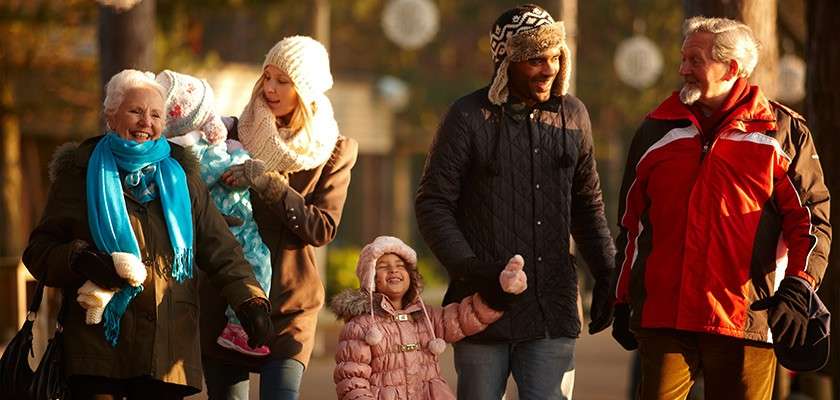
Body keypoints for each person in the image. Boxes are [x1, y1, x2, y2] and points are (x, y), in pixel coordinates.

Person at [611, 16, 831, 400]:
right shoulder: (655, 129)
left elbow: (811, 221)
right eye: (683, 59)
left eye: (695, 60)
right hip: (664, 317)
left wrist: (800, 286)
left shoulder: (782, 132)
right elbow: (631, 225)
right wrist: (621, 296)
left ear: (731, 67)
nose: (683, 70)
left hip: (745, 317)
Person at [21, 69, 273, 399]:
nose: (146, 122)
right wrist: (80, 258)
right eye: (135, 111)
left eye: (155, 114)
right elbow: (39, 251)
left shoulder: (182, 176)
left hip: (166, 350)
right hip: (96, 350)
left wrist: (250, 300)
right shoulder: (78, 173)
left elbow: (221, 249)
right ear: (111, 115)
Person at [414, 4, 616, 399]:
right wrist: (473, 270)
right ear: (506, 62)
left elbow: (588, 207)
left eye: (555, 57)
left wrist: (608, 275)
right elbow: (433, 204)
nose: (548, 68)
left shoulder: (573, 116)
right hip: (481, 308)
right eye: (534, 59)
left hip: (552, 309)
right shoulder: (468, 116)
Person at [199, 35, 359, 400]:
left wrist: (270, 185)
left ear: (306, 90)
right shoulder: (231, 133)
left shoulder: (334, 151)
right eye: (266, 77)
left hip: (290, 307)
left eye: (282, 81)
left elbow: (321, 228)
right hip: (226, 300)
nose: (269, 88)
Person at [156, 69, 273, 356]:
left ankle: (240, 326)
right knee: (258, 264)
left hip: (235, 224)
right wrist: (242, 162)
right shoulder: (192, 154)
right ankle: (237, 329)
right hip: (233, 227)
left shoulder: (201, 146)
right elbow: (216, 172)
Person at [331, 236, 528, 400]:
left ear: (411, 276)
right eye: (383, 266)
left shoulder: (426, 317)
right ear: (370, 278)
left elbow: (464, 317)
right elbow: (352, 380)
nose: (393, 270)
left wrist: (500, 293)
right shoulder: (361, 326)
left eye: (401, 265)